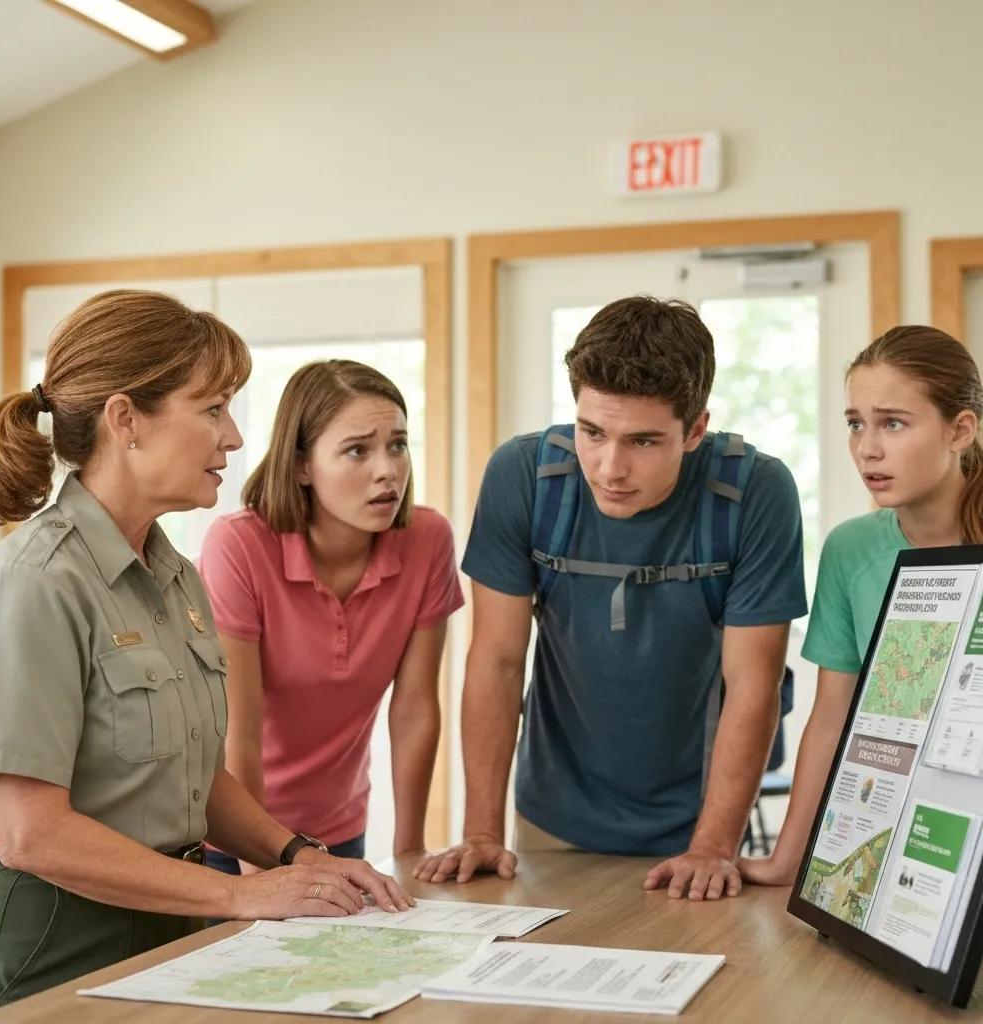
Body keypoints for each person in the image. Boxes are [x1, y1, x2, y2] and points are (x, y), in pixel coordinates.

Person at [0, 291, 411, 1019]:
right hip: (48, 947)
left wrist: (299, 856)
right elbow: (29, 834)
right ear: (126, 420)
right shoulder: (33, 583)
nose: (234, 438)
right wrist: (240, 893)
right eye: (212, 410)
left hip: (169, 925)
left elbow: (196, 778)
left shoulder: (176, 577)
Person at [415, 296, 808, 900]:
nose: (609, 467)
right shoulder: (523, 476)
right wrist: (481, 831)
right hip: (553, 818)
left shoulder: (756, 491)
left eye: (644, 442)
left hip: (699, 828)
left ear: (696, 429)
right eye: (592, 432)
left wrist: (712, 846)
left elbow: (753, 685)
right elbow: (496, 659)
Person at [739, 324, 983, 886]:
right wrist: (786, 859)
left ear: (960, 430)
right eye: (856, 424)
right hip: (907, 841)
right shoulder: (849, 550)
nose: (867, 448)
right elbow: (830, 719)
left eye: (893, 423)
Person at [200, 360, 463, 874]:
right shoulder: (239, 545)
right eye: (357, 450)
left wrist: (410, 853)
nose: (387, 470)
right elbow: (238, 731)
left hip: (339, 834)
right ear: (301, 465)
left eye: (398, 445)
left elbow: (413, 710)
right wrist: (262, 874)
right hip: (232, 842)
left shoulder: (428, 540)